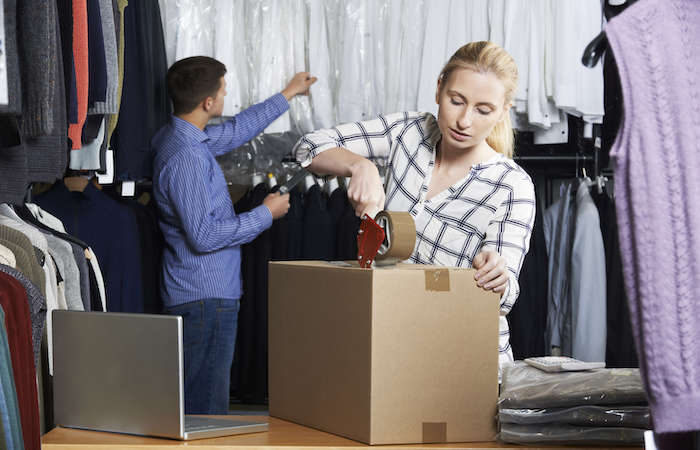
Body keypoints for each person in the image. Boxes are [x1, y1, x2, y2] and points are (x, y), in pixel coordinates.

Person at [294, 41, 535, 372]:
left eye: (483, 110)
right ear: (439, 89)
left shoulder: (512, 185)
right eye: (456, 101)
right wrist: (359, 166)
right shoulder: (408, 133)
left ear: (503, 112)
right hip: (392, 346)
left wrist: (497, 275)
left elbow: (505, 296)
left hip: (465, 363)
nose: (464, 120)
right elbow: (308, 147)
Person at [152, 56, 316, 414]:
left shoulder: (185, 136)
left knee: (200, 399)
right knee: (205, 408)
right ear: (208, 103)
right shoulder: (187, 157)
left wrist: (288, 93)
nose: (227, 96)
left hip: (202, 294)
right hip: (203, 298)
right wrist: (265, 214)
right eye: (223, 91)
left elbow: (239, 129)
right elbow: (204, 235)